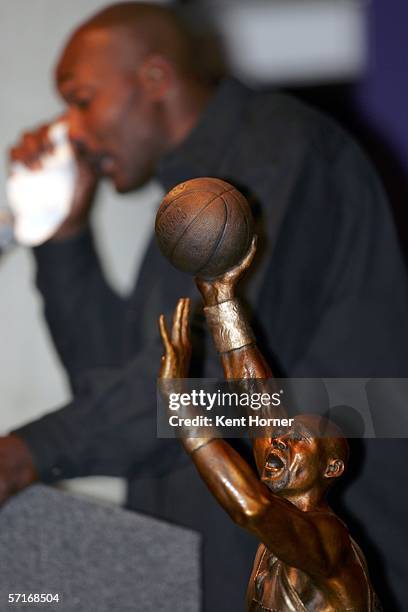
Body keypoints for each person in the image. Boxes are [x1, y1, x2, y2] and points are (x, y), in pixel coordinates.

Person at [3, 2, 408, 609]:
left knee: (21, 562)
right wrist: (65, 240)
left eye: (82, 99)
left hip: (307, 580)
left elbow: (209, 384)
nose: (74, 130)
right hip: (192, 565)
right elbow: (113, 385)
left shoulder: (281, 157)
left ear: (155, 78)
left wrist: (25, 455)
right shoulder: (192, 203)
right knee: (22, 563)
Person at [158, 240, 381, 610]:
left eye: (298, 440)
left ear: (331, 467)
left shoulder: (329, 539)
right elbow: (256, 396)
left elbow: (252, 508)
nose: (280, 440)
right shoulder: (288, 511)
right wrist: (220, 297)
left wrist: (178, 404)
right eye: (282, 434)